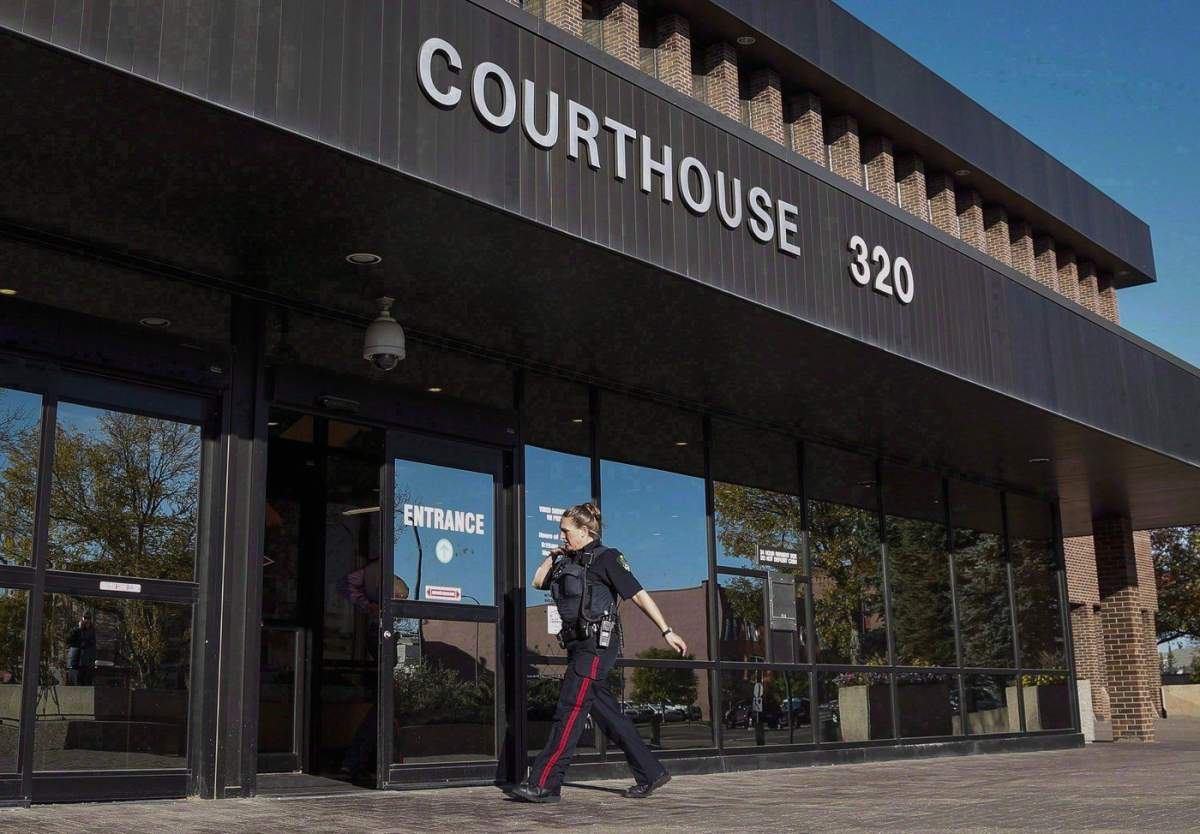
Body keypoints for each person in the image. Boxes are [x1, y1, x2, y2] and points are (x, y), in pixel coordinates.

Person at [507, 502, 686, 804]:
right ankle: (651, 771)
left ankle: (545, 784)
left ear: (585, 530)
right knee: (606, 712)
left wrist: (666, 630)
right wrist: (553, 556)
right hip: (578, 647)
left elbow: (639, 595)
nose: (561, 535)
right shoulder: (568, 562)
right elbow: (538, 581)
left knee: (570, 709)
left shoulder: (608, 559)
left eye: (566, 531)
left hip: (596, 647)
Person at [66, 613, 96, 686]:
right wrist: (78, 628)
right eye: (85, 618)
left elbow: (91, 643)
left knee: (85, 682)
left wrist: (88, 630)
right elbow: (68, 640)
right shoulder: (75, 629)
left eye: (88, 619)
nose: (86, 620)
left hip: (86, 661)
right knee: (74, 682)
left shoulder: (91, 631)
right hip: (74, 661)